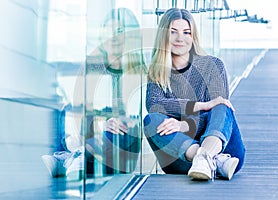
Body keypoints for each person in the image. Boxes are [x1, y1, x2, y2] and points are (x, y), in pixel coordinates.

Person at [42, 7, 146, 177]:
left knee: (119, 127)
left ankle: (71, 158)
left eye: (119, 31)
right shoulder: (94, 68)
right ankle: (76, 156)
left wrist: (117, 121)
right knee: (68, 110)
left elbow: (140, 117)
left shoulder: (139, 72)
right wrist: (103, 122)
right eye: (109, 31)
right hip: (95, 140)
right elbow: (84, 108)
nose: (114, 37)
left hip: (121, 146)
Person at [143, 8, 246, 181]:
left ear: (193, 36)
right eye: (173, 32)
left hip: (227, 151)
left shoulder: (213, 66)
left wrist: (183, 126)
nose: (180, 38)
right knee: (151, 120)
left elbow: (216, 117)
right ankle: (209, 159)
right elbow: (154, 104)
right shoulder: (157, 72)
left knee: (221, 106)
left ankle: (206, 156)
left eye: (186, 32)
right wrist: (200, 106)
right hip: (183, 159)